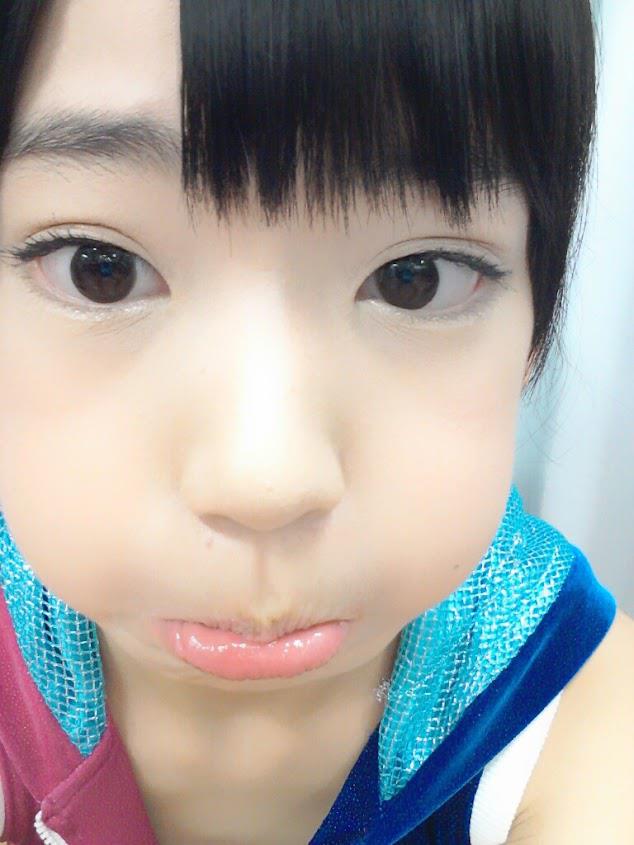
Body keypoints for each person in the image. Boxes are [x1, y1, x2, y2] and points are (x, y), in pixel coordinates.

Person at [0, 1, 632, 843]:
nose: (263, 479)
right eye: (100, 270)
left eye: (416, 278)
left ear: (535, 329)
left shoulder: (573, 721)